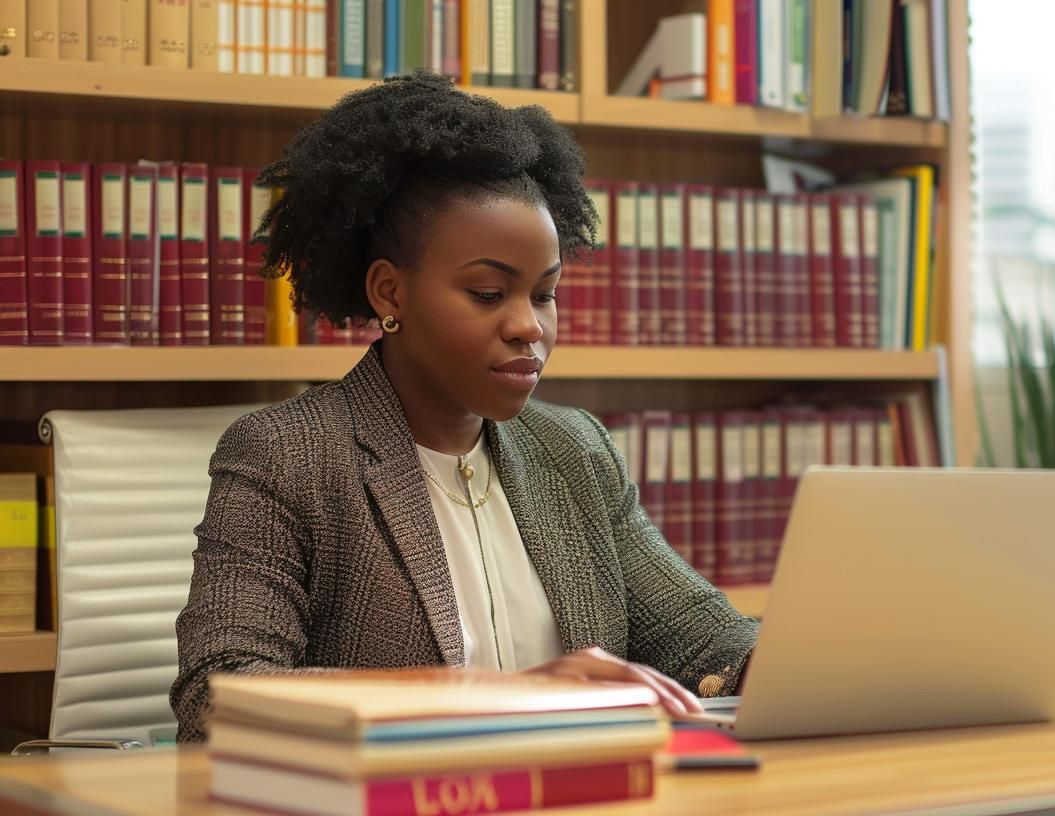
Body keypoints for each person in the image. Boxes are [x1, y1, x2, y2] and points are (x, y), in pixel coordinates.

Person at [169, 71, 759, 742]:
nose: (528, 327)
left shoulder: (575, 451)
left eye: (544, 294)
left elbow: (706, 640)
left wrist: (798, 660)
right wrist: (507, 695)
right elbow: (219, 695)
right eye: (487, 293)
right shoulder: (288, 455)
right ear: (390, 292)